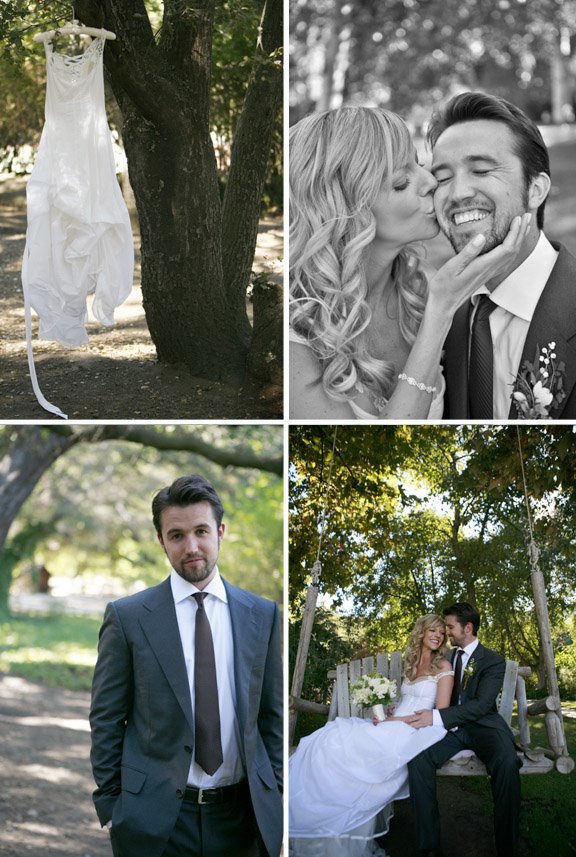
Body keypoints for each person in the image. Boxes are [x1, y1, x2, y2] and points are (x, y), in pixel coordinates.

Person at [289, 106, 531, 419]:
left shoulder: (419, 292)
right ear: (347, 211)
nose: (431, 181)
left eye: (419, 165)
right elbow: (384, 450)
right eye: (402, 182)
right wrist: (441, 310)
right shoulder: (295, 336)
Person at [89, 474, 283, 857]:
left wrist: (273, 790)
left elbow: (271, 715)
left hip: (243, 820)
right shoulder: (128, 617)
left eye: (201, 531)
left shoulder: (262, 614)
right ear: (161, 541)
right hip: (156, 821)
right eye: (176, 535)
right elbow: (106, 718)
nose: (191, 546)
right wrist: (113, 807)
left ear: (220, 531)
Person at [428, 91, 576, 419]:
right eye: (442, 178)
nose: (457, 193)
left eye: (480, 170)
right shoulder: (441, 321)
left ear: (535, 190)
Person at [289, 615, 454, 856]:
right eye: (432, 630)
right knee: (332, 736)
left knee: (351, 745)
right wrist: (390, 710)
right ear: (421, 632)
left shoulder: (443, 667)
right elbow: (408, 700)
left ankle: (341, 825)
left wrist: (395, 720)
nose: (438, 635)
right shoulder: (412, 664)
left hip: (417, 728)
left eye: (441, 632)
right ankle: (323, 818)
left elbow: (439, 713)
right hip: (397, 722)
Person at [407, 602, 521, 857]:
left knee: (507, 762)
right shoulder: (445, 659)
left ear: (467, 628)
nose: (445, 632)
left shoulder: (492, 660)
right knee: (418, 758)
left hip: (484, 726)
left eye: (450, 627)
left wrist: (436, 717)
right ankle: (429, 846)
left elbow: (481, 705)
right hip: (451, 729)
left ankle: (507, 847)